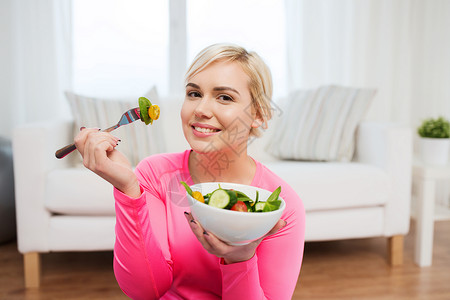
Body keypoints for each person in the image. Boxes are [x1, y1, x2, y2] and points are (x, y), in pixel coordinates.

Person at [74, 43, 305, 299]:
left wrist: (240, 259)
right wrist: (128, 190)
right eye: (194, 93)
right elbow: (145, 290)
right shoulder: (154, 173)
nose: (201, 110)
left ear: (259, 114)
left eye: (224, 97)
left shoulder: (283, 207)